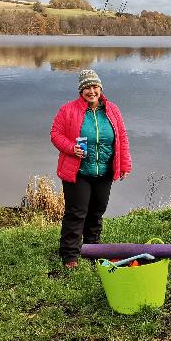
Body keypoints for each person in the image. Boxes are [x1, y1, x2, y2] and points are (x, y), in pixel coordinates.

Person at [50, 69, 131, 269]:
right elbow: (55, 134)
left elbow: (122, 138)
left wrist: (125, 164)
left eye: (94, 87)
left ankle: (91, 250)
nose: (91, 91)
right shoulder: (67, 110)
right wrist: (71, 148)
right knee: (76, 213)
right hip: (78, 172)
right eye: (87, 87)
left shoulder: (112, 110)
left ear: (100, 88)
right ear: (81, 90)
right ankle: (70, 256)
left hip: (104, 171)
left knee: (96, 212)